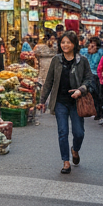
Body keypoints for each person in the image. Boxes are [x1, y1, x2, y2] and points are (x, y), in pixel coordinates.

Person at [38, 30, 93, 175]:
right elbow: (49, 81)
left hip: (77, 102)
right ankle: (66, 161)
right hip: (60, 102)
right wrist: (42, 100)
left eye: (68, 42)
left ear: (74, 44)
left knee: (78, 133)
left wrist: (81, 90)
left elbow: (89, 79)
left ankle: (75, 150)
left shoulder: (82, 61)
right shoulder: (56, 60)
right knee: (62, 132)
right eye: (63, 42)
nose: (65, 45)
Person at [84, 37, 103, 117]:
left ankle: (98, 110)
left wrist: (95, 51)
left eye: (94, 44)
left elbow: (97, 63)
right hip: (87, 74)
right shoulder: (85, 51)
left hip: (96, 74)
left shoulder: (100, 52)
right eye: (90, 43)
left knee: (96, 92)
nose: (92, 45)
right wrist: (89, 51)